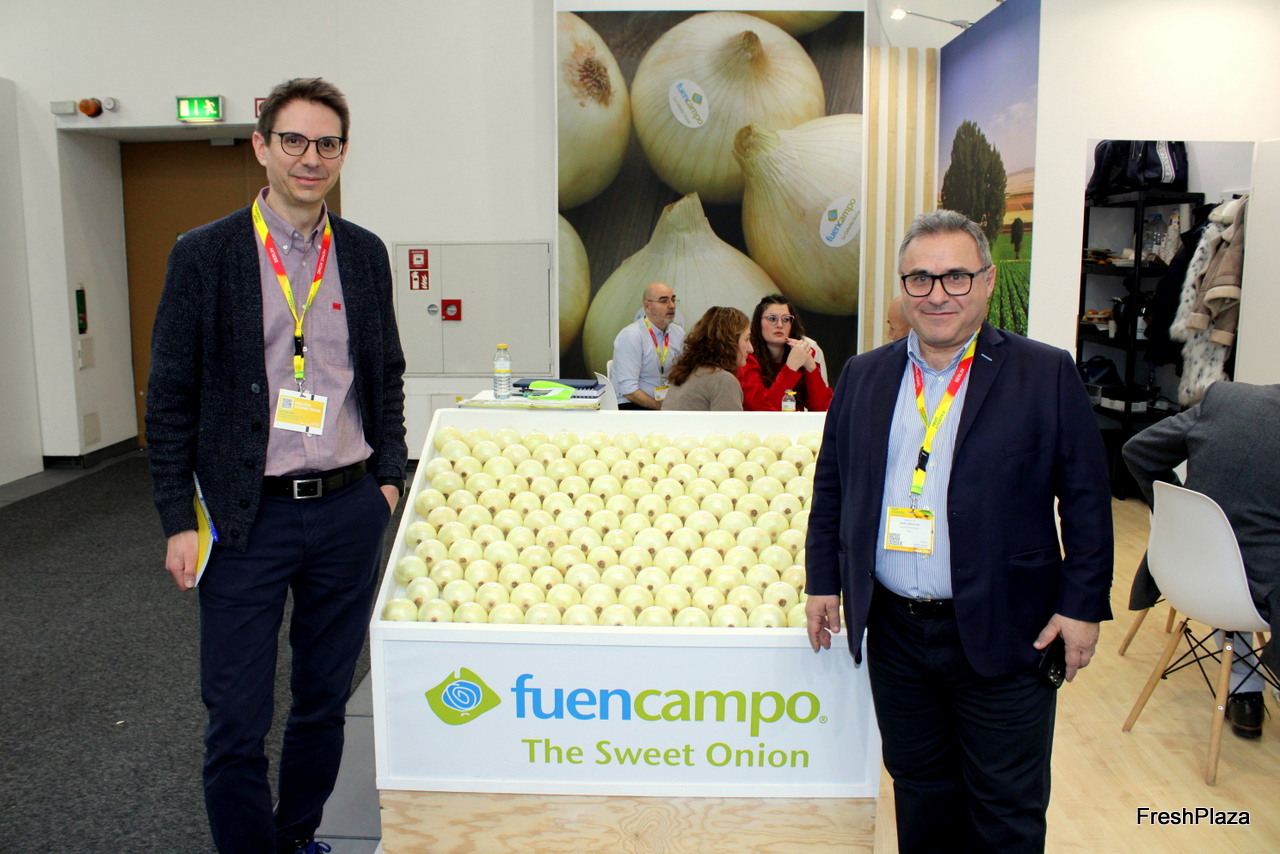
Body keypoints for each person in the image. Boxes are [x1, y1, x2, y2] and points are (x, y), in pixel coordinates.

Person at [145, 78, 407, 854]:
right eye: (293, 140)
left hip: (347, 508)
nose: (310, 157)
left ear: (344, 153)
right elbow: (170, 397)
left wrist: (388, 481)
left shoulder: (363, 254)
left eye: (327, 143)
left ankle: (296, 837)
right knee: (236, 714)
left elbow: (385, 374)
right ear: (261, 146)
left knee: (324, 700)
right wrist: (176, 519)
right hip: (242, 517)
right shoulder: (205, 255)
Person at [804, 210, 1113, 854]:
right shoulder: (864, 375)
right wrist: (823, 582)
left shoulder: (1044, 373)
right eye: (920, 278)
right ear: (902, 286)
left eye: (956, 277)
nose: (937, 294)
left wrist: (1082, 606)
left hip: (1008, 628)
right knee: (921, 792)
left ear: (987, 281)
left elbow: (1086, 499)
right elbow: (833, 485)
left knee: (1006, 809)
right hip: (896, 632)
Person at [1123, 380, 1280, 738]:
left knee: (1243, 561)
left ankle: (1245, 691)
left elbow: (1138, 450)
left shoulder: (1230, 399)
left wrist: (1171, 508)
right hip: (1255, 594)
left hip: (1186, 570)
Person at [737, 294, 833, 411]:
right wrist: (791, 368)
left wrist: (810, 366)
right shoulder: (747, 355)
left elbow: (822, 408)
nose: (780, 325)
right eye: (772, 319)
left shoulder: (804, 349)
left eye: (786, 319)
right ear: (759, 323)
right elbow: (762, 410)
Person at [660, 306, 752, 411]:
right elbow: (730, 422)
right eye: (747, 339)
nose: (751, 348)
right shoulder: (724, 381)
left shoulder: (684, 373)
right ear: (730, 342)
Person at [610, 281, 684, 409]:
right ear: (647, 306)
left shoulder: (678, 333)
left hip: (666, 405)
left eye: (673, 299)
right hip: (632, 406)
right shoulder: (632, 335)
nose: (672, 305)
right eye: (664, 301)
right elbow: (629, 391)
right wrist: (662, 410)